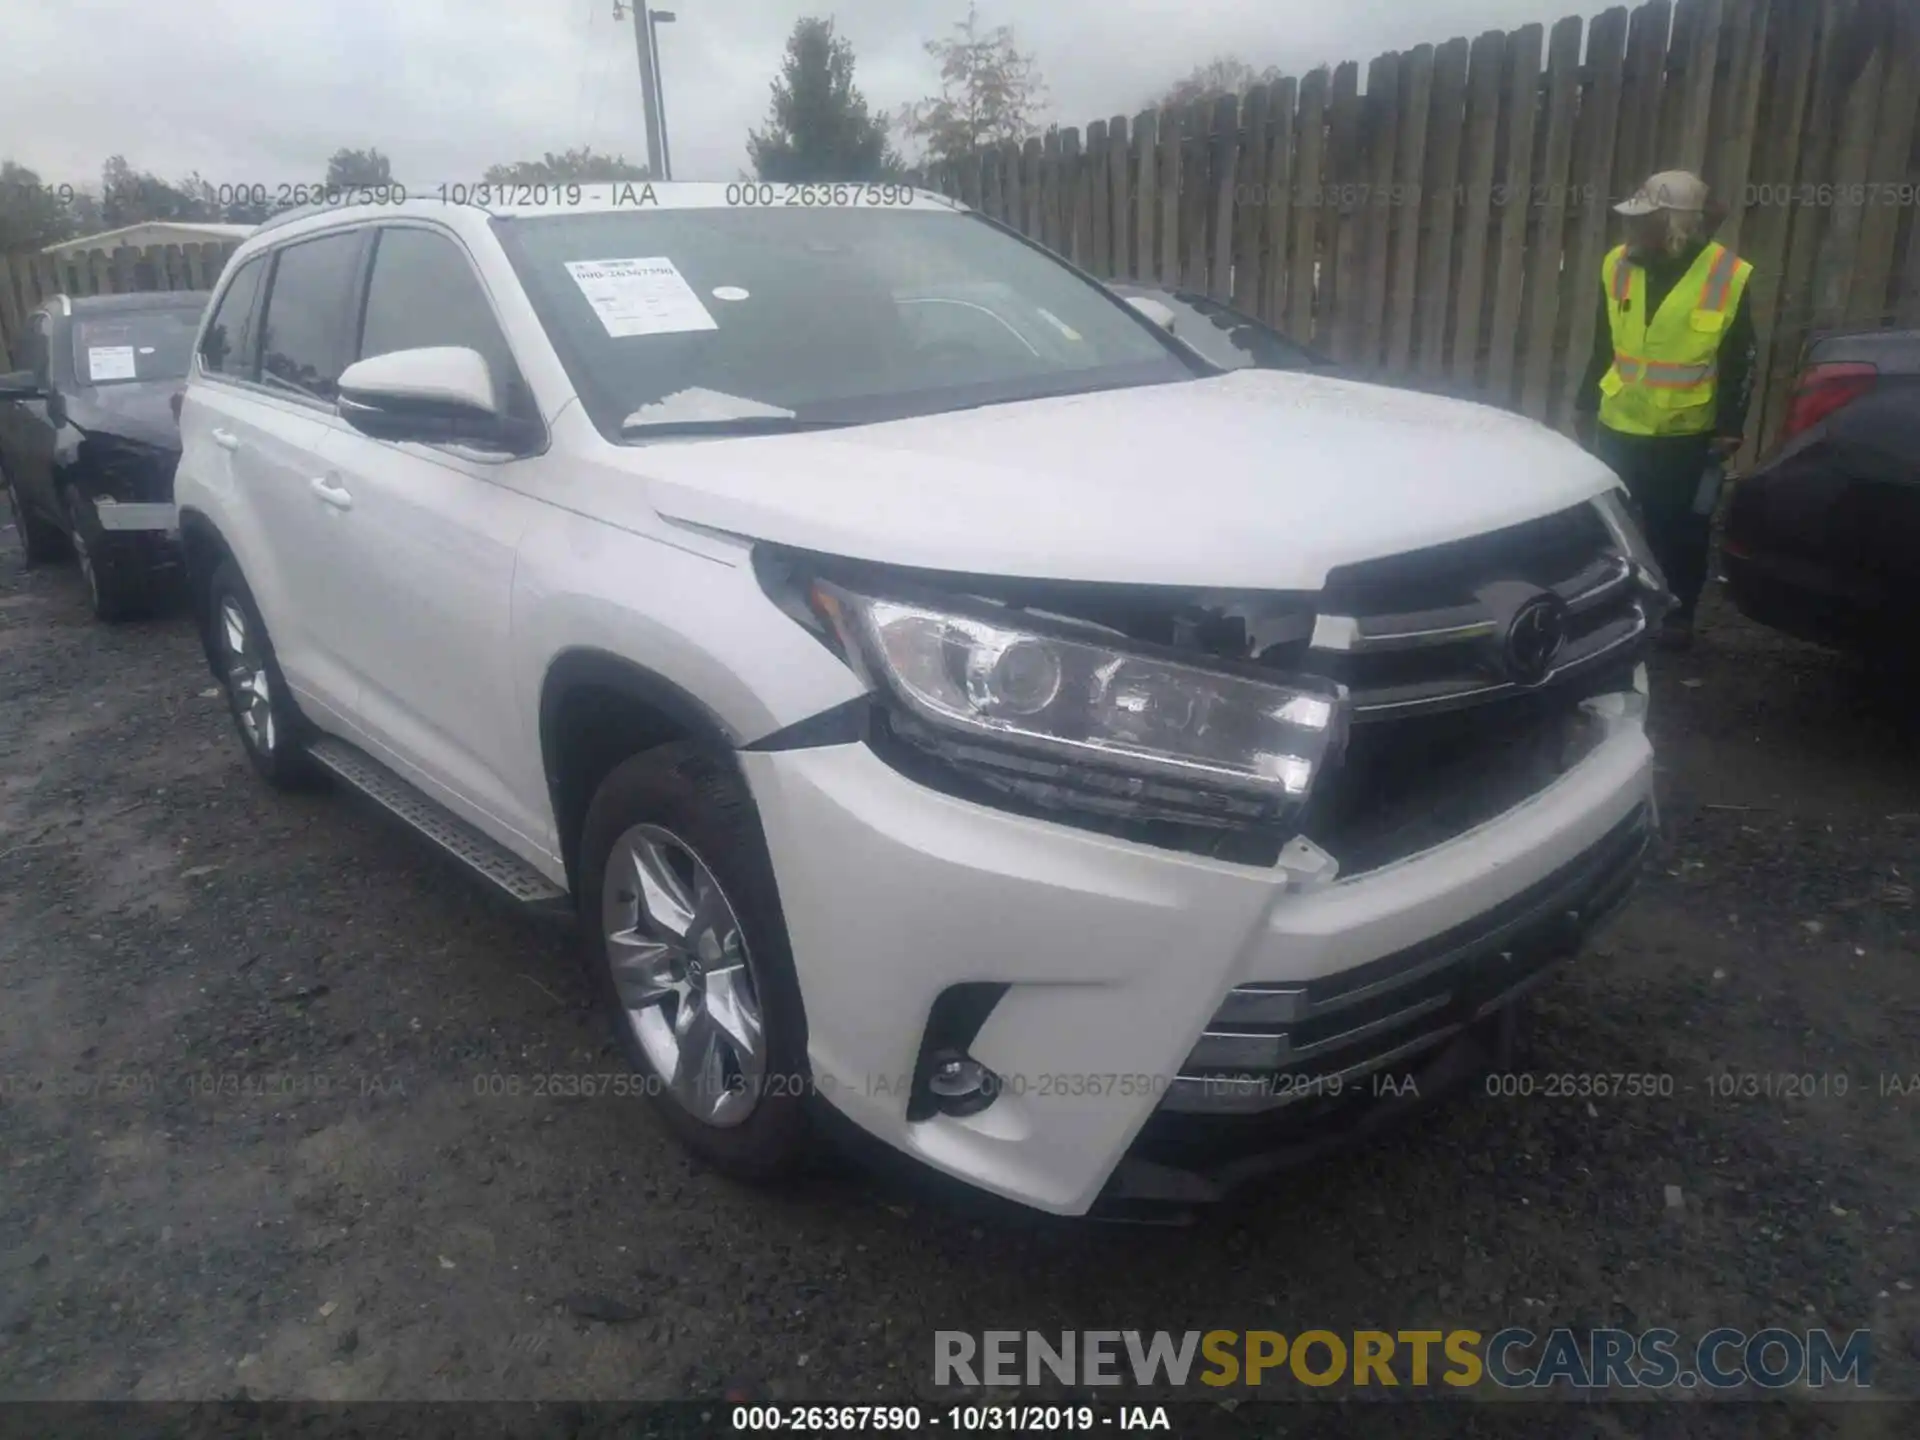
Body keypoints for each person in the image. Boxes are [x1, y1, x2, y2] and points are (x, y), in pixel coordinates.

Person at [1574, 171, 1756, 651]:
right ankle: (1616, 610)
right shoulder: (1617, 264)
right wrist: (1585, 400)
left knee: (1682, 529)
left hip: (1685, 431)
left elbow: (1741, 358)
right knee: (1615, 527)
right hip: (1620, 423)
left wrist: (1731, 426)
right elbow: (1603, 343)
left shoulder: (1727, 275)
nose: (1632, 233)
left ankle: (1677, 614)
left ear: (1677, 225)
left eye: (1645, 222)